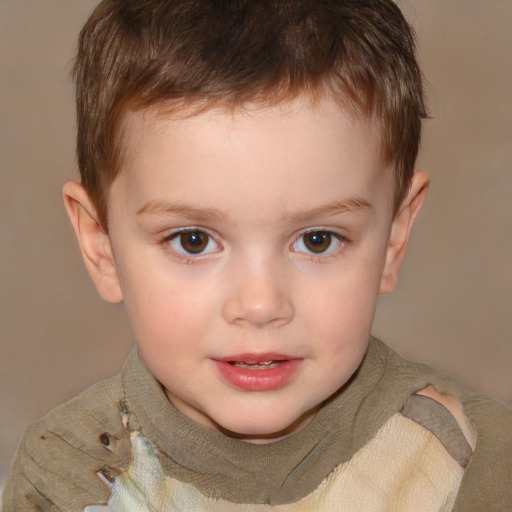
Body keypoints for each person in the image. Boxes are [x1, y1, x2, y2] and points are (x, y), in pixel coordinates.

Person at [3, 0, 511, 510]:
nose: (261, 304)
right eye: (193, 240)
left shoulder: (468, 460)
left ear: (394, 238)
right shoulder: (67, 476)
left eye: (317, 239)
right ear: (102, 246)